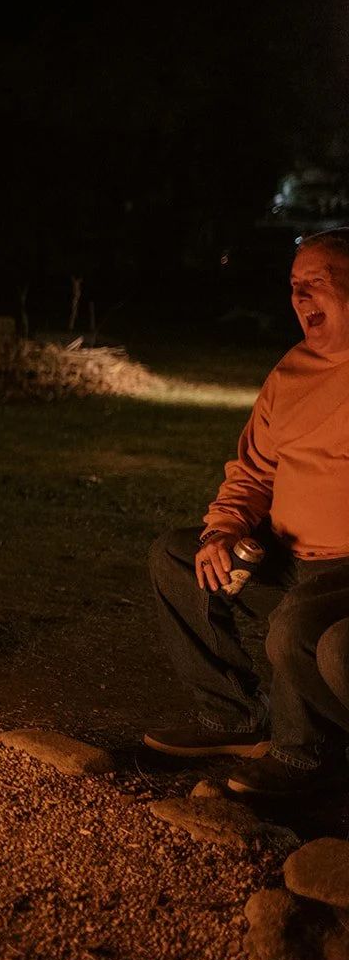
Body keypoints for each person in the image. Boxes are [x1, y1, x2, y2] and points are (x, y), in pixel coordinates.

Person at [143, 227, 349, 798]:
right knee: (178, 557)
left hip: (344, 570)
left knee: (299, 624)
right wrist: (225, 530)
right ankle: (229, 717)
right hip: (286, 556)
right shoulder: (291, 373)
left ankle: (304, 754)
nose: (300, 298)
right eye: (293, 286)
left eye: (316, 283)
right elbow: (254, 471)